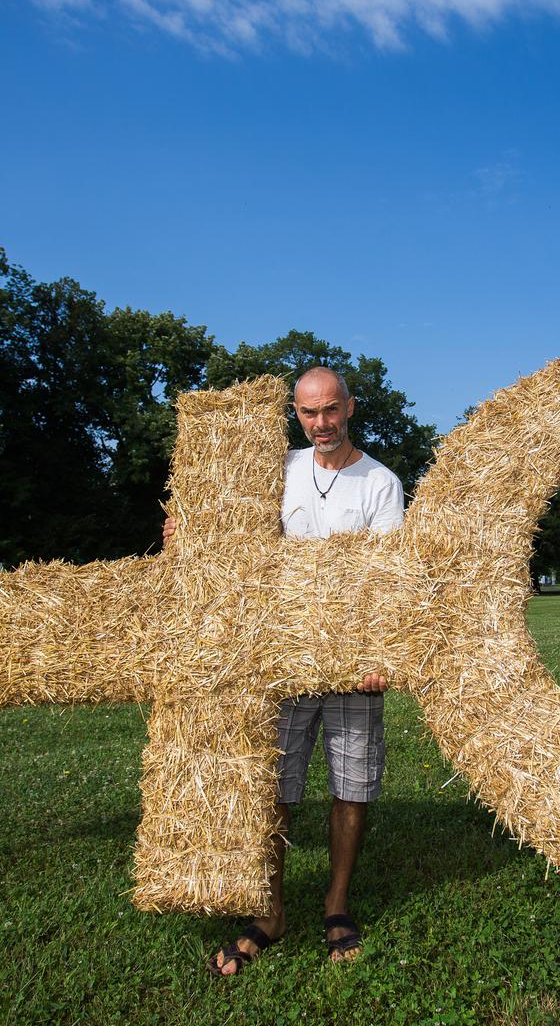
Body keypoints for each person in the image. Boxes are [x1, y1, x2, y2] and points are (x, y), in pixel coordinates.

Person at [163, 365, 405, 977]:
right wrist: (185, 532)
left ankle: (336, 904)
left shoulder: (380, 483)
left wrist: (378, 654)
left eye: (330, 410)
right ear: (294, 414)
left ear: (350, 408)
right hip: (280, 660)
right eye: (307, 412)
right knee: (274, 787)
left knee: (352, 786)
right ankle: (269, 912)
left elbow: (389, 579)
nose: (320, 423)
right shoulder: (279, 472)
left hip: (351, 660)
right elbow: (230, 545)